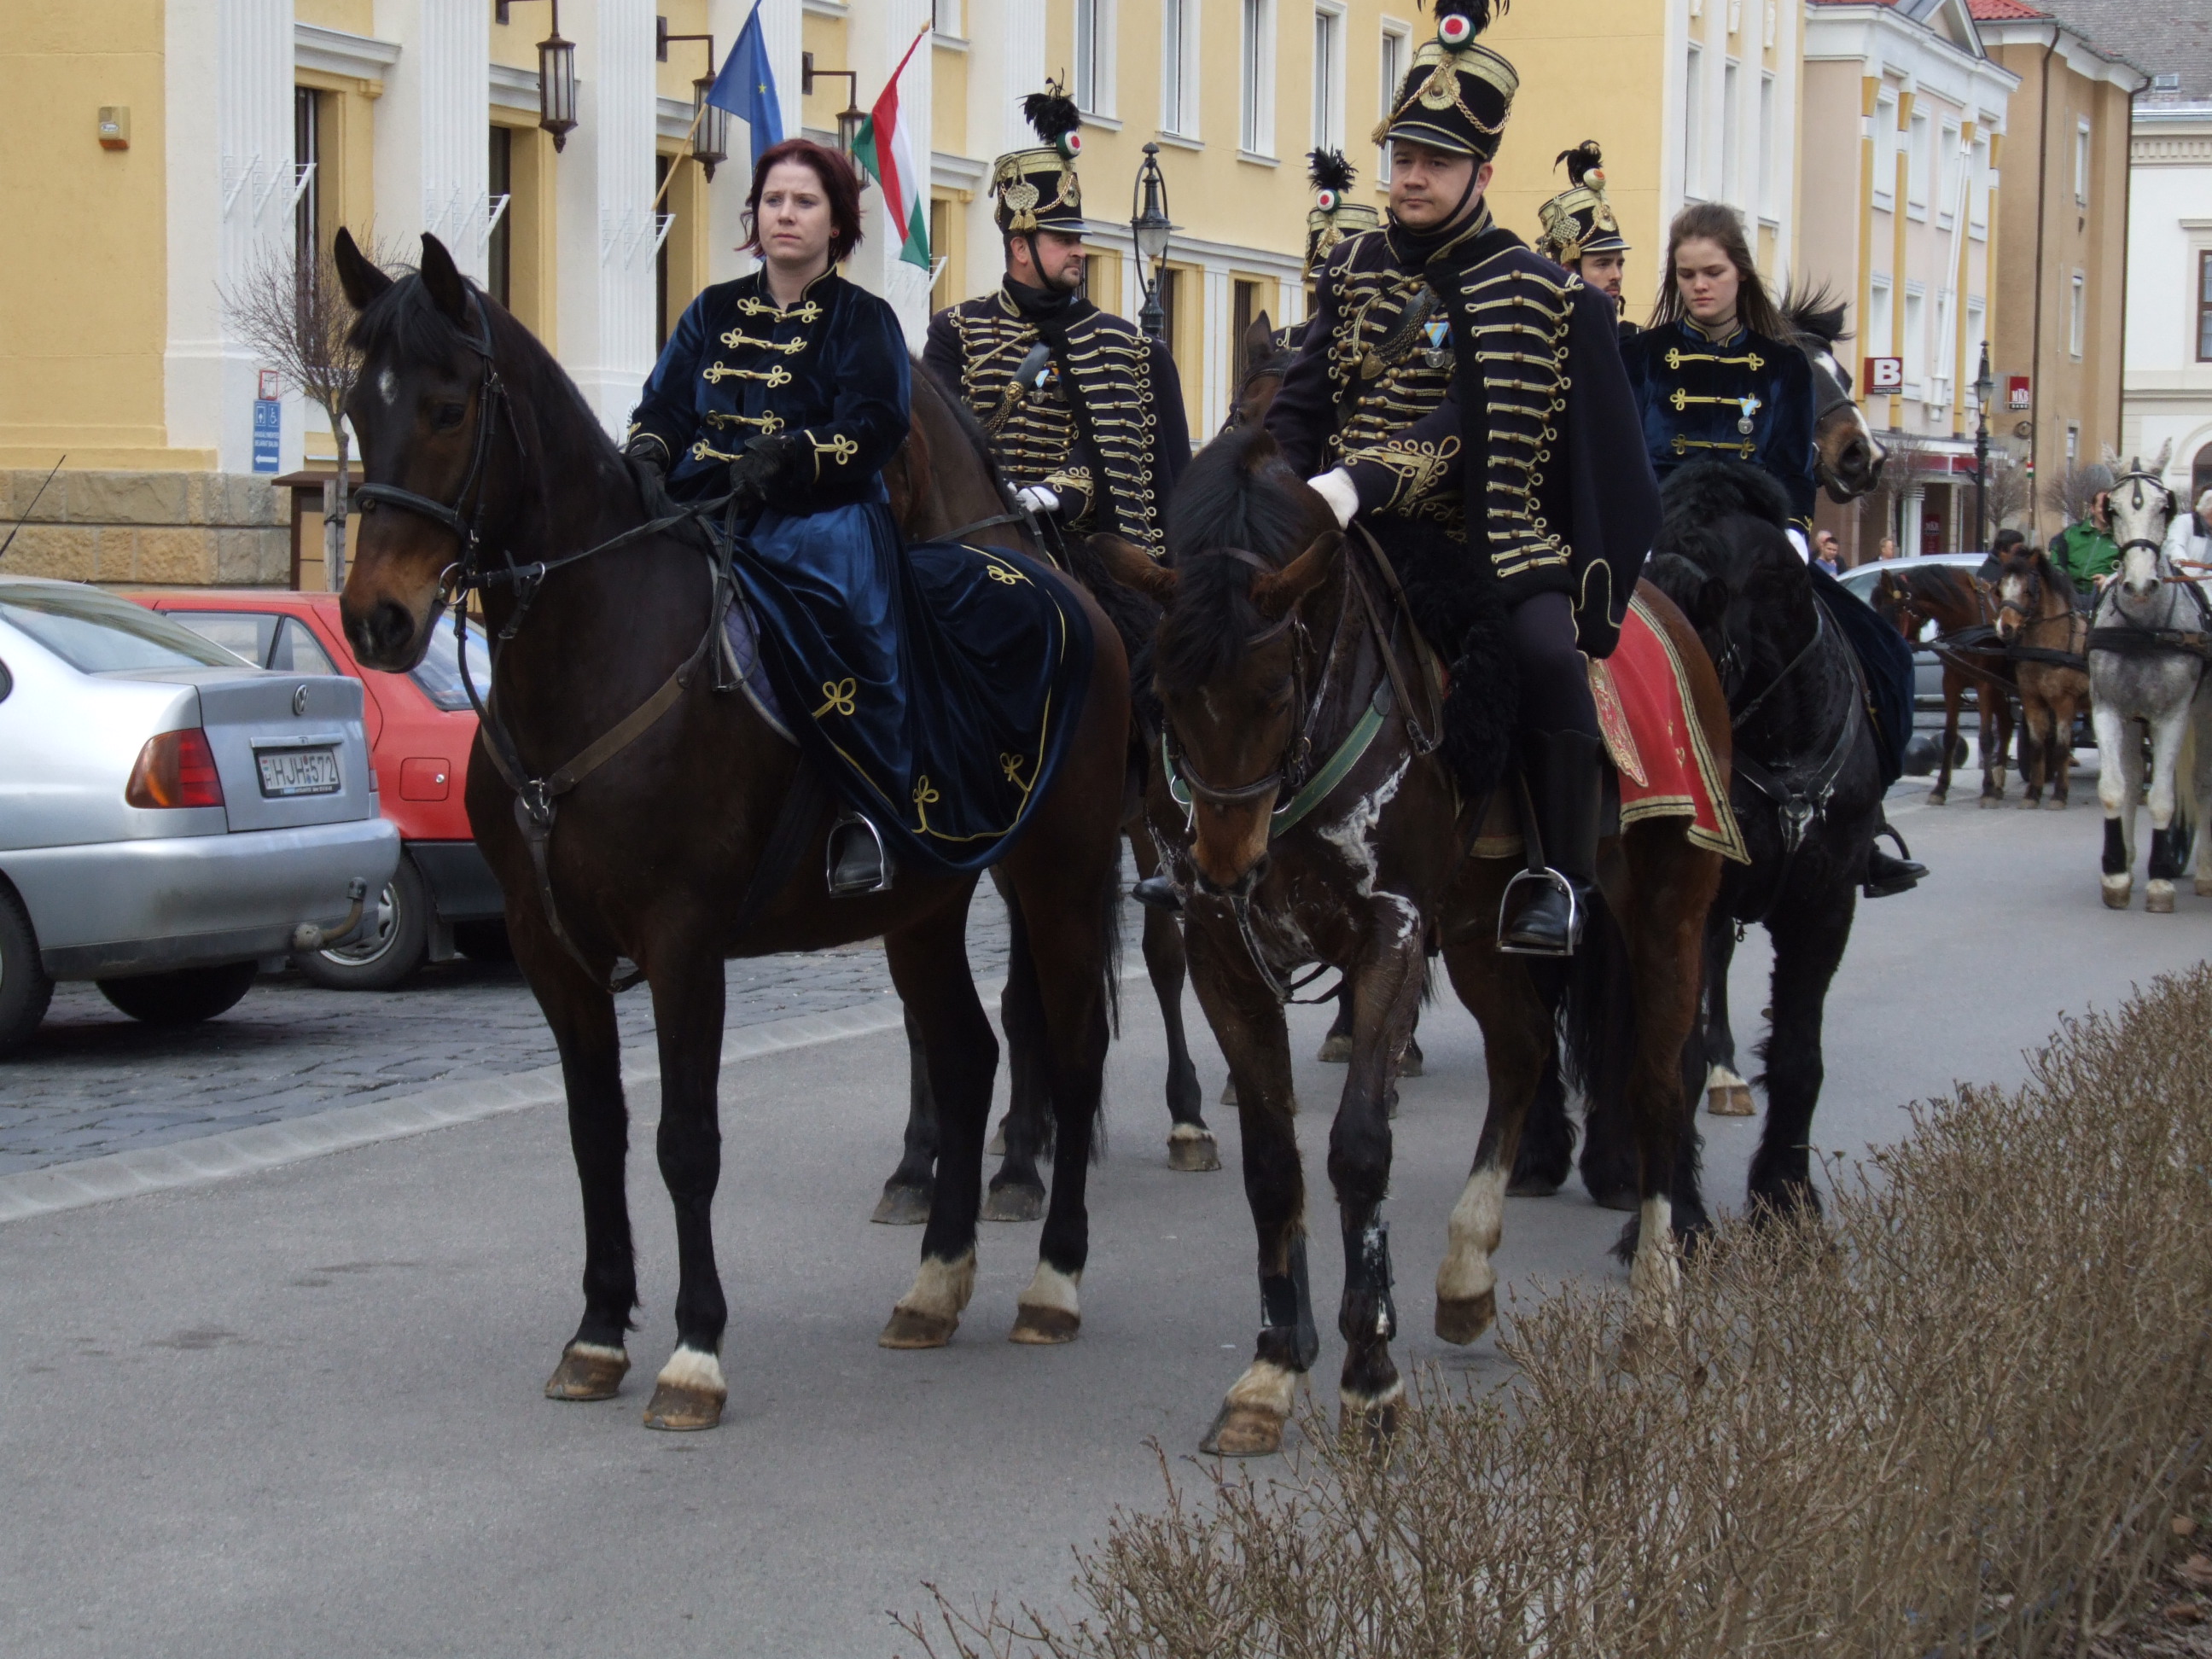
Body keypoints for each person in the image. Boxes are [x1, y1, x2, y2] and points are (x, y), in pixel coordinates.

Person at [1265, 0, 1657, 956]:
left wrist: (1355, 483)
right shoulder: (1353, 266)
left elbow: (1473, 426)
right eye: (1402, 157)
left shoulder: (1535, 288)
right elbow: (1303, 400)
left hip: (1487, 537)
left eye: (1435, 162)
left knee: (1546, 657)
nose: (1411, 177)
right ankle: (1215, 840)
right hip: (1344, 526)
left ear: (1481, 173)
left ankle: (1557, 878)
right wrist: (1263, 485)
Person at [625, 138, 1091, 897]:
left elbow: (877, 424)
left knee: (849, 625)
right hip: (706, 505)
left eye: (804, 202)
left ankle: (865, 810)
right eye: (773, 200)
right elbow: (666, 407)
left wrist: (793, 455)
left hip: (821, 516)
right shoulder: (710, 309)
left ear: (836, 222)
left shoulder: (862, 317)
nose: (785, 214)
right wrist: (646, 453)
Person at [1621, 202, 1926, 898]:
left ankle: (1862, 822)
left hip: (1760, 556)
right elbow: (1628, 463)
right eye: (1687, 274)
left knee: (1889, 656)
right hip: (1666, 554)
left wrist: (1790, 540)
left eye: (1713, 272)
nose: (1700, 286)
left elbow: (1793, 472)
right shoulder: (1641, 359)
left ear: (1739, 274)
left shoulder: (1783, 366)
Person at [923, 83, 1190, 560]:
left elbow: (1118, 444)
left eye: (1079, 239)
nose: (1079, 251)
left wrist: (1055, 493)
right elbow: (939, 436)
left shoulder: (1120, 344)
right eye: (1064, 240)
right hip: (977, 533)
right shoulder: (955, 330)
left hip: (1077, 539)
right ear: (1021, 247)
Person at [1534, 141, 1636, 340]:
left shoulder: (1634, 344)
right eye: (1603, 264)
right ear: (1568, 271)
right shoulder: (1543, 342)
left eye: (1619, 263)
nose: (1616, 275)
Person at [2049, 489, 2119, 588]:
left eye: (2109, 507)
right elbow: (2056, 558)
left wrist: (2109, 580)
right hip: (2068, 590)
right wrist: (2062, 580)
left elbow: (2130, 570)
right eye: (2102, 506)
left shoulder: (2121, 538)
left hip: (2103, 592)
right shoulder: (2072, 533)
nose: (2106, 510)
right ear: (2092, 509)